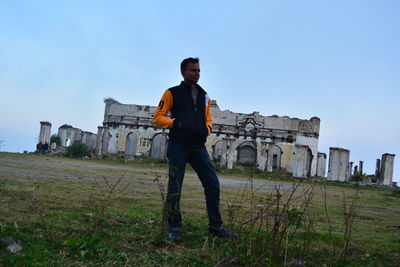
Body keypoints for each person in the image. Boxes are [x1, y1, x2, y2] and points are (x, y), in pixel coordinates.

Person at [153, 57, 235, 242]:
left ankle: (216, 226)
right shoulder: (171, 93)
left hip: (198, 147)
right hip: (178, 145)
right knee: (175, 187)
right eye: (192, 70)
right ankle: (174, 227)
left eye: (198, 70)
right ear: (183, 72)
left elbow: (208, 119)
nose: (196, 73)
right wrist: (177, 123)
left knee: (212, 184)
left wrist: (206, 129)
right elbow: (158, 118)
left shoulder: (204, 95)